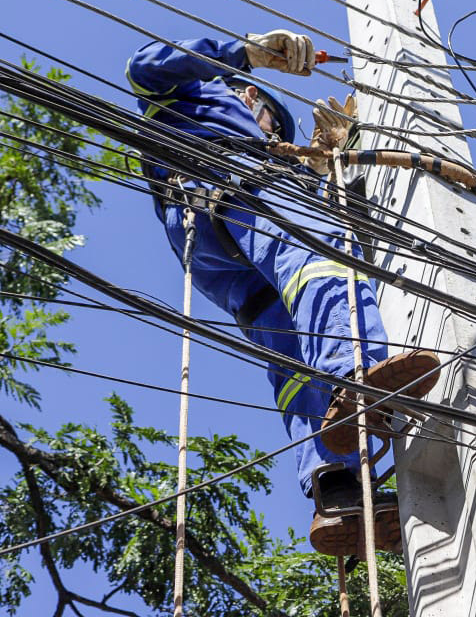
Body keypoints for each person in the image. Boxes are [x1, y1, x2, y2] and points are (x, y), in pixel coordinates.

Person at [126, 29, 439, 556]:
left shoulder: (191, 123)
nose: (275, 132)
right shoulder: (208, 95)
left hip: (206, 247)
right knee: (326, 266)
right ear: (253, 100)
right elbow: (143, 65)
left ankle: (334, 490)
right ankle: (354, 374)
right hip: (238, 185)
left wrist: (325, 169)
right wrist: (250, 52)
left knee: (293, 356)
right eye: (273, 120)